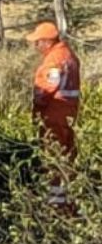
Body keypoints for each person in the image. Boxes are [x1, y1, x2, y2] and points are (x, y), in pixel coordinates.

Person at [29, 20, 82, 208]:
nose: (35, 46)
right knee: (67, 158)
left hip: (54, 116)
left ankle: (56, 206)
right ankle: (69, 202)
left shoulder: (54, 59)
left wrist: (37, 103)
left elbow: (47, 87)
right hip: (69, 115)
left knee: (53, 159)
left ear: (47, 41)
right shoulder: (69, 55)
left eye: (37, 42)